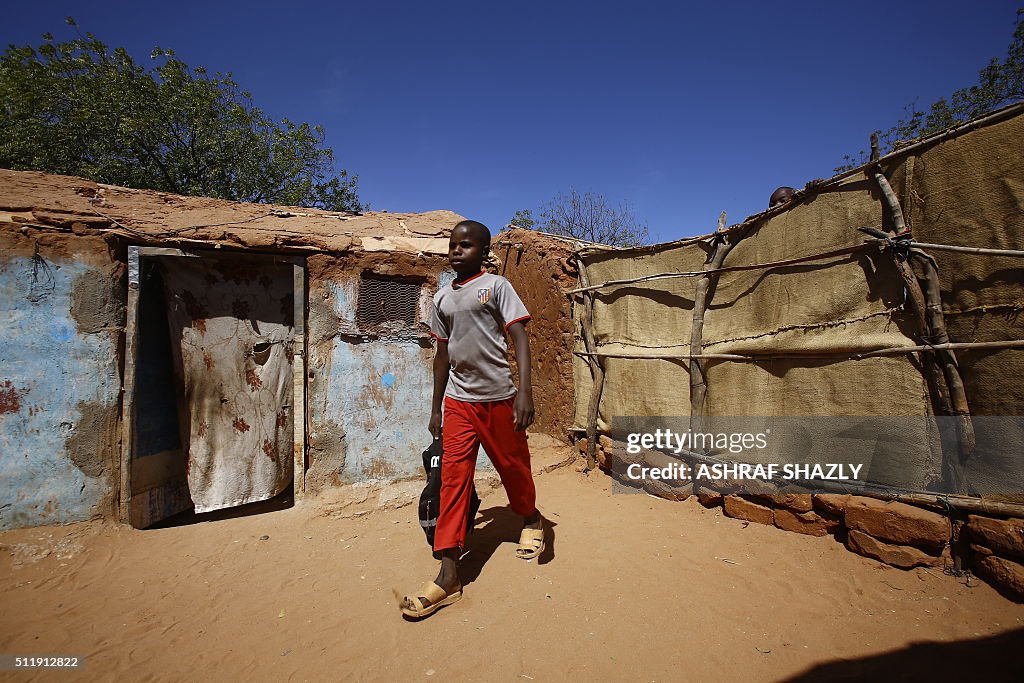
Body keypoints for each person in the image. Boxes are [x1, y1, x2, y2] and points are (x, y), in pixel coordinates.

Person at [400, 219, 544, 619]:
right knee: (452, 479)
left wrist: (525, 392)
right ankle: (448, 574)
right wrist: (436, 408)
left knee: (513, 466)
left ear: (483, 252)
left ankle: (531, 518)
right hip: (459, 403)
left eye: (465, 245)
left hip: (498, 399)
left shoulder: (497, 287)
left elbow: (519, 337)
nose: (456, 251)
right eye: (453, 245)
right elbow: (442, 355)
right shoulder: (442, 298)